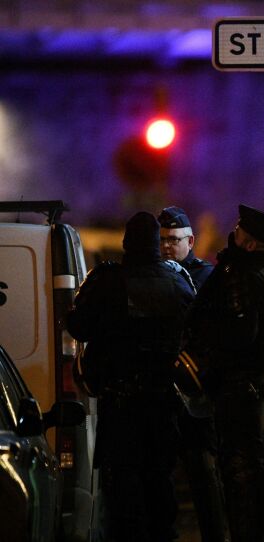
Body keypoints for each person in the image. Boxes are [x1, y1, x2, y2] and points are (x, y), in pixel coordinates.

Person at [186, 204, 264, 542]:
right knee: (255, 465)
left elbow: (239, 333)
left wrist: (212, 351)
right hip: (262, 379)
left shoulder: (242, 274)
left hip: (239, 382)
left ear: (249, 243)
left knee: (239, 467)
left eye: (240, 232)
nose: (235, 233)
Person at [67, 212, 196, 542]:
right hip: (165, 401)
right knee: (159, 484)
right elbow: (194, 333)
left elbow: (78, 326)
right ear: (157, 243)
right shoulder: (179, 282)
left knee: (123, 492)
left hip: (121, 402)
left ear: (126, 242)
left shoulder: (108, 281)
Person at [157, 205, 229, 542]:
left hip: (196, 389)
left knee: (203, 474)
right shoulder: (157, 276)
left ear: (191, 241)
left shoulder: (206, 278)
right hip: (163, 388)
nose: (168, 246)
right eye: (163, 240)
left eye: (174, 239)